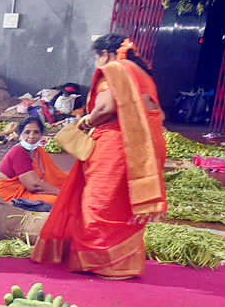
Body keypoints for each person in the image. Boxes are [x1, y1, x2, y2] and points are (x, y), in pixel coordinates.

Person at [32, 34, 166, 279]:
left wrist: (85, 123)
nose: (97, 63)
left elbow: (106, 108)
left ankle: (102, 263)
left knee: (99, 203)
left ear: (105, 53)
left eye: (96, 57)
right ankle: (123, 264)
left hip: (117, 145)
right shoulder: (141, 73)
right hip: (146, 144)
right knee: (125, 204)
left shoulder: (114, 69)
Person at [0, 116, 68, 204]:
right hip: (13, 196)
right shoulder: (18, 152)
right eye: (27, 132)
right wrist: (62, 193)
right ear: (20, 135)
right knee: (60, 200)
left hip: (28, 191)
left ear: (41, 135)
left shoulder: (39, 150)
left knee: (71, 184)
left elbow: (52, 175)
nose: (31, 136)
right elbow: (34, 186)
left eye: (36, 132)